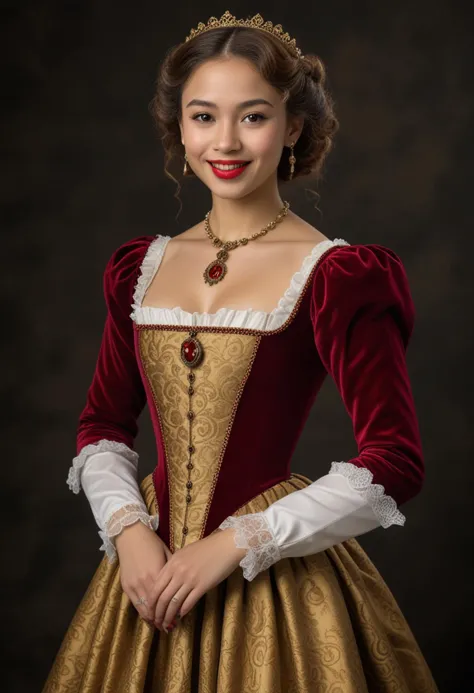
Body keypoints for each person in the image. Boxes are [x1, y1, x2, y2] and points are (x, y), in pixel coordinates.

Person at [43, 10, 439, 693]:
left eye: (252, 117)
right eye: (203, 117)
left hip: (274, 580)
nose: (225, 140)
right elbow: (104, 426)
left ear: (293, 127)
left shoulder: (339, 276)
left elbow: (394, 459)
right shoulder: (139, 267)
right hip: (147, 579)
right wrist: (131, 532)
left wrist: (233, 543)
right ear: (179, 127)